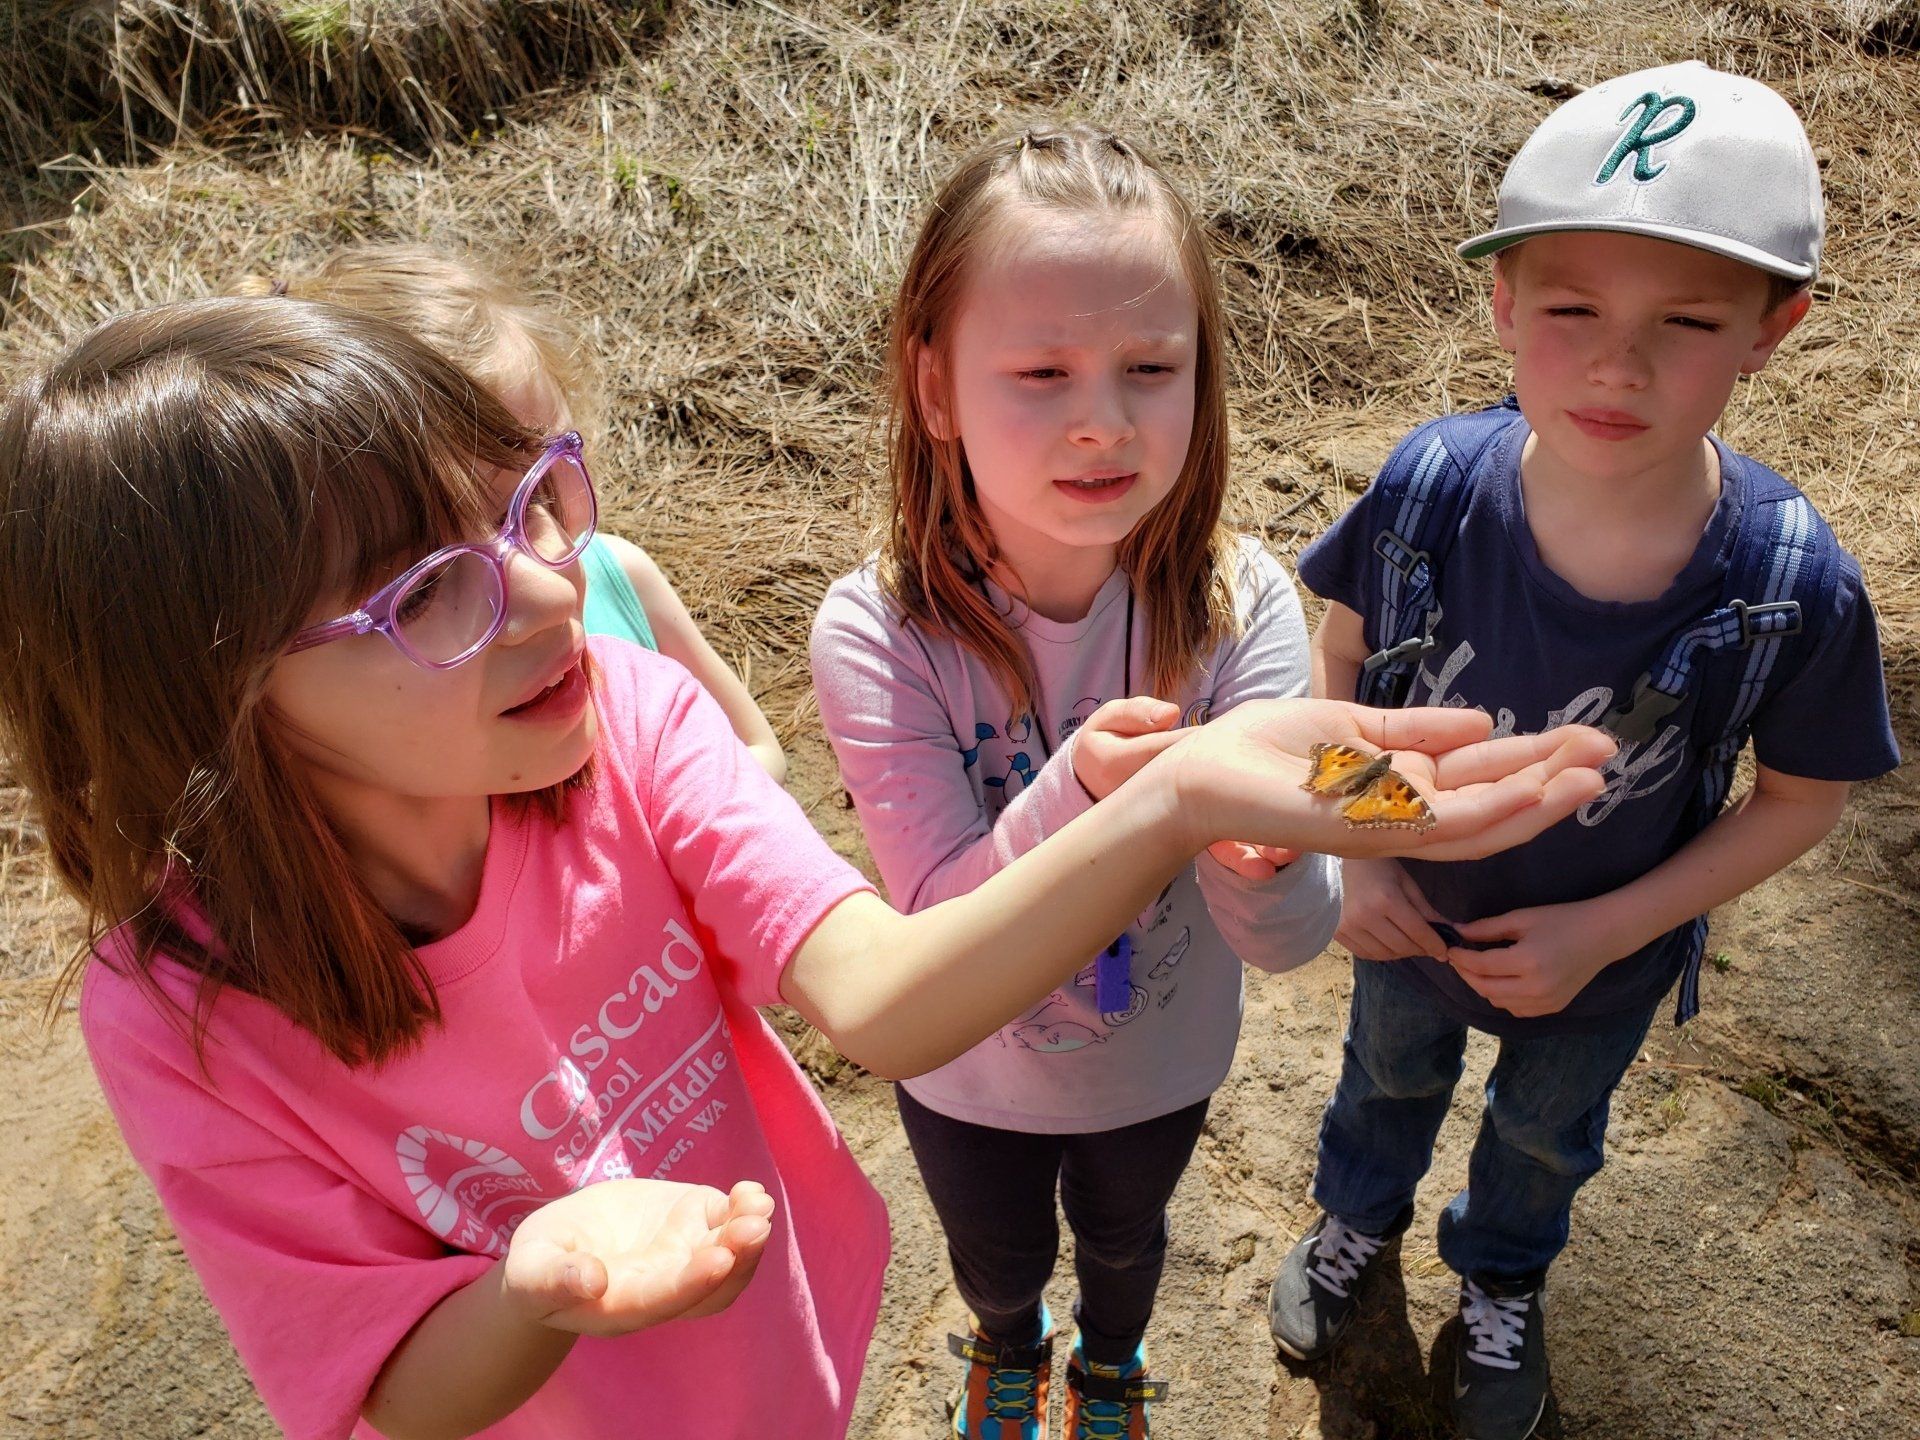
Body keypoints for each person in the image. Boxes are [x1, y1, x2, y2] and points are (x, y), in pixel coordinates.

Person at [0, 296, 1613, 1440]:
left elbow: (887, 999)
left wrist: (1185, 790)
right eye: (432, 590)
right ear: (208, 698)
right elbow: (386, 1386)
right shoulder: (181, 1016)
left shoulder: (623, 722)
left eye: (531, 507)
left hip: (778, 1355)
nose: (563, 596)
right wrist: (531, 1292)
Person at [1269, 62, 1900, 1440]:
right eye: (1572, 311)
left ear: (1773, 328)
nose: (1620, 364)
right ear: (1502, 304)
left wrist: (1610, 927)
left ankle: (1502, 1277)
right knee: (1383, 1077)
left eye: (1686, 320)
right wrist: (1359, 856)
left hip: (1607, 962)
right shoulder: (1430, 489)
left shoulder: (1793, 580)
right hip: (1408, 913)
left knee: (1548, 1135)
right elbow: (1330, 672)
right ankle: (1353, 1220)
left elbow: (1802, 801)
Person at [812, 123, 1343, 1440]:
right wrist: (1093, 800)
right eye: (1040, 371)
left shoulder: (1246, 605)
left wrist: (1268, 861)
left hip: (1157, 1061)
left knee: (1126, 1241)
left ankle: (1110, 1366)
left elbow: (1291, 937)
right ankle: (1008, 1348)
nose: (1103, 419)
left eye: (1150, 367)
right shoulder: (875, 635)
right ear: (934, 389)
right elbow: (937, 920)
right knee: (996, 1260)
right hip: (967, 1076)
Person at [235, 243, 787, 780]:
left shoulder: (620, 574)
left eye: (543, 490)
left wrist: (681, 815)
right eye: (421, 588)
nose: (556, 593)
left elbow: (757, 747)